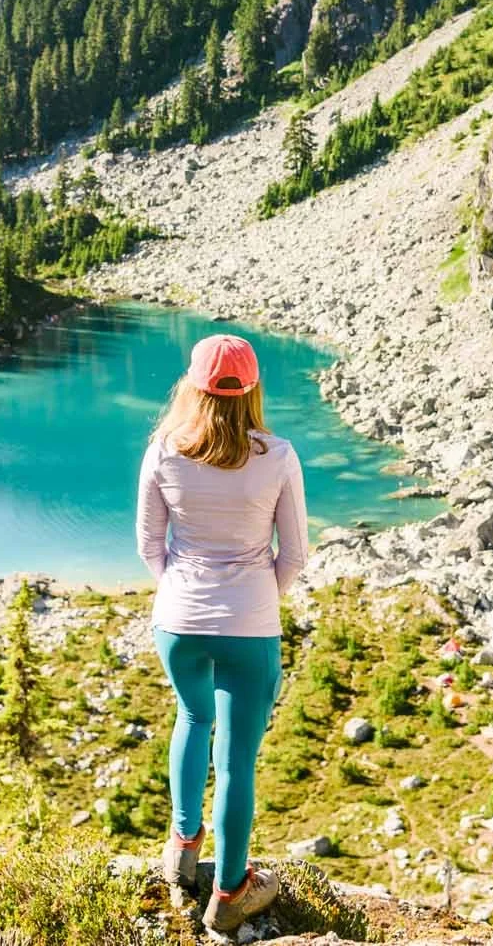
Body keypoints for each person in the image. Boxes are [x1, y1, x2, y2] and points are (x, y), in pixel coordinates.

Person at [136, 332, 309, 934]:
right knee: (237, 760)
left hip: (178, 622)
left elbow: (148, 546)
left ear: (193, 385)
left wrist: (183, 593)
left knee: (190, 717)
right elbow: (295, 556)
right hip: (250, 624)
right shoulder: (279, 455)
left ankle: (183, 849)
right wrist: (254, 602)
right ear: (252, 389)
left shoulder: (163, 450)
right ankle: (231, 893)